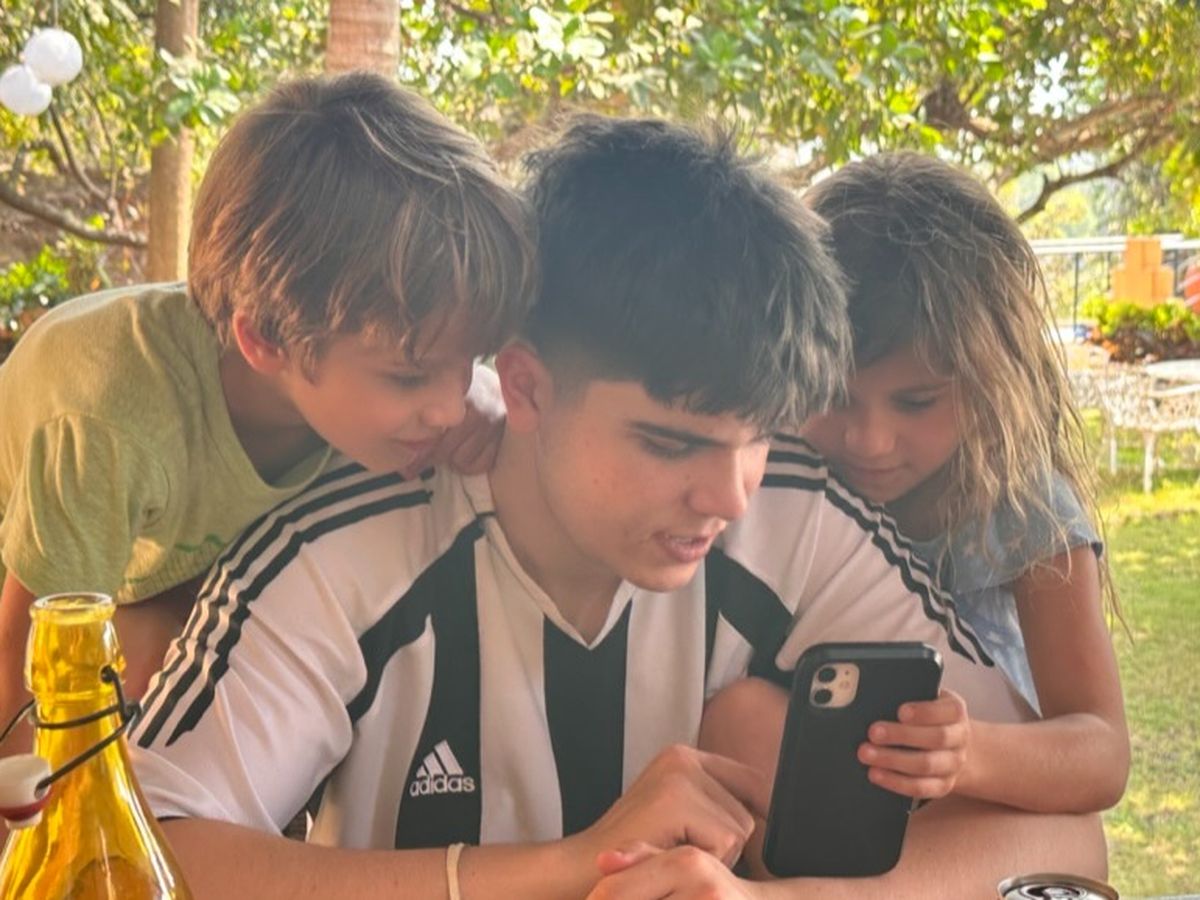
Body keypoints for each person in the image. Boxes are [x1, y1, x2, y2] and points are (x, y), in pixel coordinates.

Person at [130, 119, 1102, 899]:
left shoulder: (798, 518)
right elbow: (138, 851)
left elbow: (1064, 834)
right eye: (670, 443)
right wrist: (570, 866)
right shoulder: (343, 548)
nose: (729, 496)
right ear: (525, 387)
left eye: (759, 435)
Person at [0, 71, 535, 762]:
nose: (449, 407)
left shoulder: (351, 375)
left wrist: (482, 388)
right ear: (265, 340)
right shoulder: (113, 424)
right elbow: (23, 664)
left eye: (469, 360)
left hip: (160, 556)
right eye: (410, 376)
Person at [710, 153, 1127, 825]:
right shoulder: (773, 481)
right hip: (823, 811)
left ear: (990, 379)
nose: (869, 440)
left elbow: (1103, 751)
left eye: (916, 401)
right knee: (741, 716)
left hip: (973, 820)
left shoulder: (1022, 511)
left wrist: (970, 752)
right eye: (834, 396)